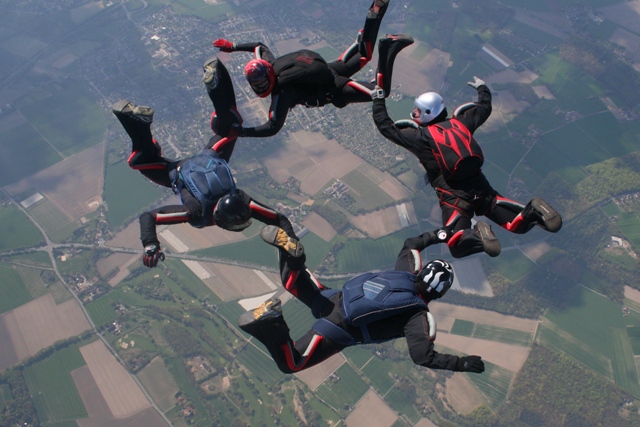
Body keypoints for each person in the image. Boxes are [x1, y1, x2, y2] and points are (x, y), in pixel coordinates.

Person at [111, 58, 294, 268]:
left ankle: (216, 81)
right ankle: (134, 121)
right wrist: (150, 244)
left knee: (232, 126)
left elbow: (279, 219)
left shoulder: (240, 199)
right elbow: (148, 217)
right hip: (176, 171)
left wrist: (291, 242)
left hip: (210, 156)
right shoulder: (197, 213)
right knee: (143, 161)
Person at [238, 224, 485, 375]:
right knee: (291, 364)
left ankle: (293, 258)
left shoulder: (407, 271)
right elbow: (423, 356)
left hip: (335, 298)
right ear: (440, 293)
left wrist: (441, 235)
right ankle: (273, 322)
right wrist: (460, 364)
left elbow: (412, 244)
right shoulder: (418, 317)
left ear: (422, 272)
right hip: (339, 329)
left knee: (292, 283)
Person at [371, 76, 562, 258]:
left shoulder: (420, 138)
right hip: (484, 191)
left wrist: (378, 99)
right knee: (517, 225)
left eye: (418, 111)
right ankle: (534, 209)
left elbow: (385, 127)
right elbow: (484, 108)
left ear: (428, 113)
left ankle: (478, 234)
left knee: (457, 245)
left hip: (455, 198)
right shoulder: (461, 123)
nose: (414, 114)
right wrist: (482, 89)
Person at [211, 0, 414, 137]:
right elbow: (259, 46)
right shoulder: (271, 64)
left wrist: (242, 132)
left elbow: (272, 127)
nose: (260, 86)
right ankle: (373, 16)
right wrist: (232, 46)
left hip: (333, 87)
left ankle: (388, 49)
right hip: (329, 69)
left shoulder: (281, 93)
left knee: (380, 91)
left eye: (261, 82)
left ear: (268, 75)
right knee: (363, 56)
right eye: (257, 84)